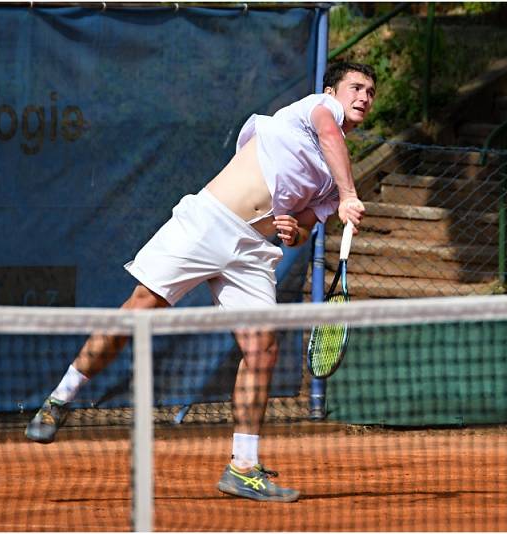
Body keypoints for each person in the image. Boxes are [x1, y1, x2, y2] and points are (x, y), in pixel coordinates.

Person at [25, 61, 377, 503]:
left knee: (262, 348)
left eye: (370, 92)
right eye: (356, 87)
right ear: (331, 90)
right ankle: (60, 399)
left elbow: (304, 225)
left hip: (253, 252)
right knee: (140, 309)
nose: (364, 97)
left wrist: (295, 230)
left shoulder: (333, 175)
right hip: (208, 221)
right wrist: (349, 194)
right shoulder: (316, 110)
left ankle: (243, 467)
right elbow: (329, 134)